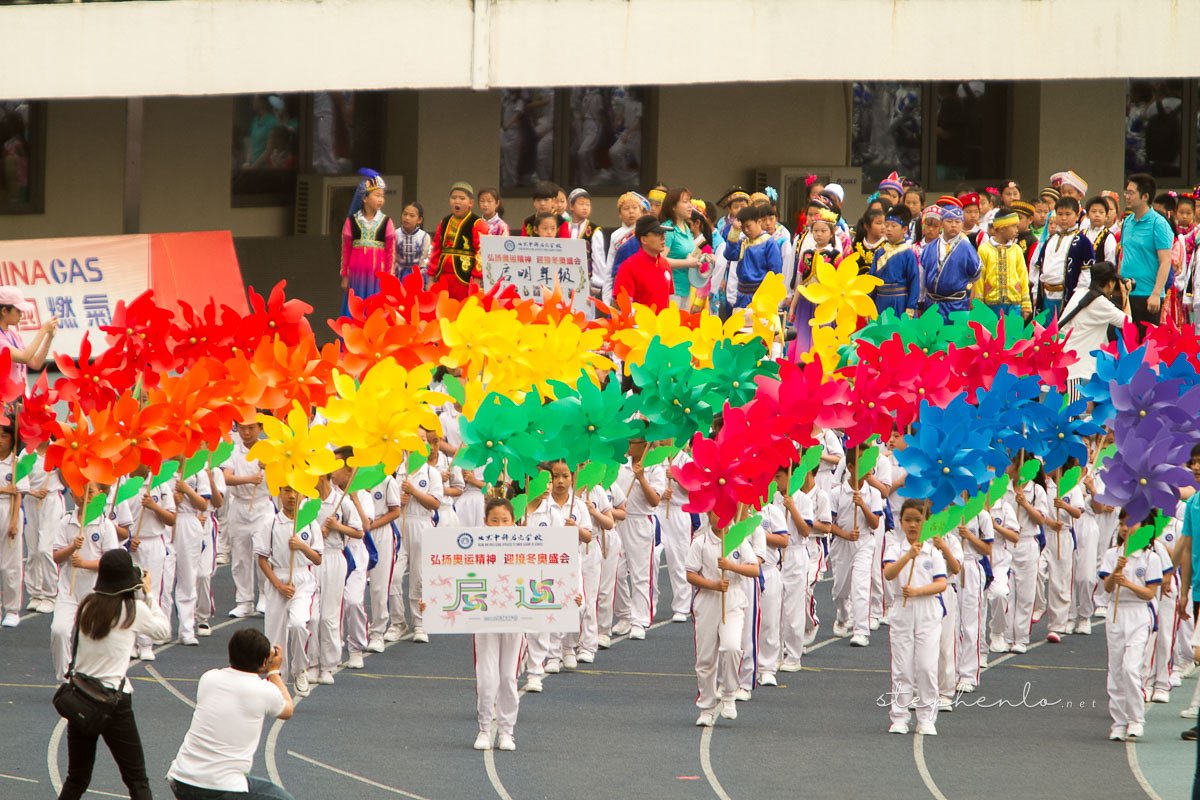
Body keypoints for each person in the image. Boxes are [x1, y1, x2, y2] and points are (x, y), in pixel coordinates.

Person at [57, 549, 169, 800]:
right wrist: (149, 592)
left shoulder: (87, 605)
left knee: (76, 778)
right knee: (137, 780)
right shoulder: (133, 609)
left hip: (82, 698)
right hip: (115, 703)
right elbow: (163, 631)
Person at [167, 628, 296, 800]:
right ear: (264, 661)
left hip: (181, 778)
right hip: (222, 787)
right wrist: (274, 671)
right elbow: (287, 709)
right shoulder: (263, 690)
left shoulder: (209, 678)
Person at [687, 511, 761, 726]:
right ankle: (707, 708)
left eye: (723, 511)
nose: (719, 517)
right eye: (714, 512)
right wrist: (712, 585)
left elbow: (755, 569)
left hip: (733, 599)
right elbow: (691, 574)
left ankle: (729, 693)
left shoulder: (738, 540)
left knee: (731, 647)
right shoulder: (700, 542)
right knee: (706, 658)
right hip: (708, 601)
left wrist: (731, 567)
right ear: (709, 514)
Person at [882, 500, 948, 736]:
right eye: (908, 520)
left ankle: (927, 718)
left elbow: (942, 584)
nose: (912, 525)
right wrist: (908, 555)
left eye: (917, 520)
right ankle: (899, 716)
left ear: (925, 523)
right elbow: (889, 573)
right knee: (902, 667)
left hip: (927, 611)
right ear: (900, 522)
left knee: (926, 666)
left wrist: (919, 591)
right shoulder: (894, 549)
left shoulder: (934, 552)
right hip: (903, 609)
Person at [471, 497, 528, 751]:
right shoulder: (473, 543)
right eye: (494, 521)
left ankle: (507, 731)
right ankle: (484, 728)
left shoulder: (527, 543)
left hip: (515, 618)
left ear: (513, 521)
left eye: (505, 520)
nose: (500, 525)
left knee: (508, 676)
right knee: (486, 677)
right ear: (485, 521)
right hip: (484, 618)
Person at [1100, 510, 1163, 741]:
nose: (1126, 528)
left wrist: (1127, 583)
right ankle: (1119, 722)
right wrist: (1116, 571)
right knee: (1115, 671)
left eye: (1131, 523)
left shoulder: (1150, 559)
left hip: (1138, 615)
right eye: (1122, 523)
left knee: (1130, 668)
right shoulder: (1111, 555)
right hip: (1116, 616)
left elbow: (1149, 593)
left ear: (1144, 526)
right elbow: (1106, 589)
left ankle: (1136, 719)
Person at [255, 485, 323, 697]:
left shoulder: (311, 523)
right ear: (279, 493)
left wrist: (301, 546)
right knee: (275, 635)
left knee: (297, 624)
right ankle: (276, 679)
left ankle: (300, 669)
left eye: (296, 491)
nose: (292, 496)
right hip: (279, 580)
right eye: (286, 491)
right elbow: (262, 559)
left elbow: (318, 558)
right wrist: (278, 585)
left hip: (303, 581)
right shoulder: (271, 523)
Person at [830, 444, 884, 648]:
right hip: (842, 545)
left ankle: (861, 631)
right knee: (840, 590)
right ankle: (843, 615)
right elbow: (829, 525)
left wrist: (862, 505)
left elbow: (875, 523)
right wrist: (844, 533)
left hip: (864, 542)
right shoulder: (836, 493)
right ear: (850, 467)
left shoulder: (873, 493)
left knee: (861, 586)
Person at [1059, 261, 1131, 394]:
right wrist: (1125, 294)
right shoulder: (1100, 303)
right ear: (1110, 283)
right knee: (1071, 410)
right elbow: (1128, 322)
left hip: (1066, 360)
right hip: (1076, 369)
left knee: (1072, 409)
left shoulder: (1080, 293)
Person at [224, 421, 271, 620]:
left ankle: (266, 597)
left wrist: (268, 467)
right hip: (239, 506)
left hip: (262, 505)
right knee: (240, 556)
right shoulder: (233, 451)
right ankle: (244, 601)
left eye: (251, 428)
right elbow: (227, 477)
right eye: (242, 428)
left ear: (260, 428)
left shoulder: (269, 450)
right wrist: (250, 478)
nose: (246, 432)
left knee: (262, 552)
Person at [1121, 173, 1175, 326]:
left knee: (1146, 345)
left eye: (1131, 193)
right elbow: (1124, 256)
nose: (1127, 196)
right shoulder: (1127, 221)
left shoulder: (1158, 223)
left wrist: (1156, 293)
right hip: (1126, 294)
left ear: (1145, 196)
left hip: (1148, 295)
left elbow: (1165, 261)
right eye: (1126, 192)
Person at [339, 174, 395, 316]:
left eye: (382, 196)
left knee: (375, 308)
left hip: (377, 276)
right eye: (377, 195)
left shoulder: (386, 222)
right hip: (356, 276)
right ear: (364, 198)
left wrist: (389, 277)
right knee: (355, 306)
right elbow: (346, 250)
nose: (381, 199)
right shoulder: (352, 221)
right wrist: (345, 275)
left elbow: (390, 252)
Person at [1031, 196, 1094, 315]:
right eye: (1060, 214)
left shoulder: (1083, 241)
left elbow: (1086, 273)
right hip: (1045, 295)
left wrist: (1078, 297)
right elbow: (1038, 268)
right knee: (1044, 331)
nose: (1063, 218)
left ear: (1077, 215)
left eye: (1068, 214)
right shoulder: (1050, 239)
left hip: (1066, 297)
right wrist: (1035, 293)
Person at [428, 182, 490, 299]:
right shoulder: (444, 222)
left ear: (470, 203)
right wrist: (431, 278)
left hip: (464, 278)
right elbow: (436, 249)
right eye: (454, 198)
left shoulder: (478, 223)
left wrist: (476, 280)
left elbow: (481, 253)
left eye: (462, 198)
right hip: (443, 276)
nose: (457, 201)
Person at [920, 202, 981, 320]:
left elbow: (976, 275)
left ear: (962, 224)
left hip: (957, 304)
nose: (953, 225)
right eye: (949, 221)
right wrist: (920, 302)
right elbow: (923, 275)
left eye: (957, 222)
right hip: (932, 304)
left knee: (955, 336)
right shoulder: (929, 247)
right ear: (942, 223)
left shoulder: (966, 247)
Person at [973, 208, 1032, 318]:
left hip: (1014, 303)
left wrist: (1026, 305)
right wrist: (979, 305)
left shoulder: (1017, 250)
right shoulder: (984, 250)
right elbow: (979, 279)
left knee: (1013, 334)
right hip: (991, 304)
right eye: (1013, 226)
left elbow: (1023, 277)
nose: (1017, 230)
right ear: (1002, 229)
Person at [723, 204, 782, 310]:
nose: (746, 230)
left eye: (748, 226)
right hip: (741, 296)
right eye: (743, 227)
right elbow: (729, 255)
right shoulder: (743, 242)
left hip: (760, 297)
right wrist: (735, 232)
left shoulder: (769, 243)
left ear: (759, 222)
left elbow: (775, 272)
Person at [612, 215, 672, 311]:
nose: (663, 238)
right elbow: (621, 304)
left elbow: (668, 299)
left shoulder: (665, 264)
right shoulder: (629, 266)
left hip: (662, 324)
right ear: (643, 240)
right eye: (657, 235)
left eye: (663, 234)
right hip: (639, 324)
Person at [870, 204, 920, 318]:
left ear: (904, 229)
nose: (888, 229)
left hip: (900, 301)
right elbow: (871, 279)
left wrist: (911, 306)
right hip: (880, 301)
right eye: (886, 225)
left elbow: (914, 281)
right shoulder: (879, 252)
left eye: (893, 226)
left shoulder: (908, 253)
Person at [0, 286, 56, 387]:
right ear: (4, 311)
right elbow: (24, 357)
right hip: (6, 400)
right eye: (18, 311)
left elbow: (36, 363)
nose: (21, 315)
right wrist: (43, 330)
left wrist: (49, 337)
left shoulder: (13, 333)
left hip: (21, 398)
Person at [0, 421, 27, 627]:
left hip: (8, 512)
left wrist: (15, 522)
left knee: (11, 566)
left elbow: (17, 494)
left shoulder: (17, 464)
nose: (0, 441)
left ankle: (12, 609)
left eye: (4, 436)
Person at [560, 188, 605, 305]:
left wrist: (597, 283)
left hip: (586, 280)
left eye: (588, 205)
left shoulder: (594, 230)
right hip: (564, 276)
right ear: (571, 206)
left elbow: (598, 258)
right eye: (581, 204)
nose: (585, 207)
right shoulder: (563, 227)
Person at [394, 202, 431, 284]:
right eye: (405, 214)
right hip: (398, 274)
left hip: (417, 275)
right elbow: (392, 257)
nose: (407, 218)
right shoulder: (394, 234)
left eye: (412, 215)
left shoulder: (424, 237)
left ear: (419, 220)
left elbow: (425, 260)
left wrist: (420, 275)